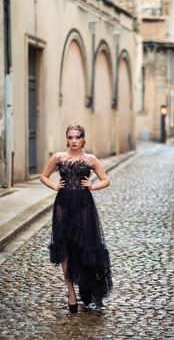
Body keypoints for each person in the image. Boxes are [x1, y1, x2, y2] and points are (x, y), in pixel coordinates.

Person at [40, 124, 112, 313]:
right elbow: (43, 176)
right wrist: (55, 187)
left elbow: (106, 180)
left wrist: (93, 186)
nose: (73, 141)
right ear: (67, 139)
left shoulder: (90, 159)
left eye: (77, 137)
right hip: (63, 205)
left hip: (83, 206)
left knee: (84, 247)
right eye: (70, 137)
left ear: (83, 140)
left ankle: (86, 287)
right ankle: (70, 291)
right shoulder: (59, 157)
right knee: (64, 247)